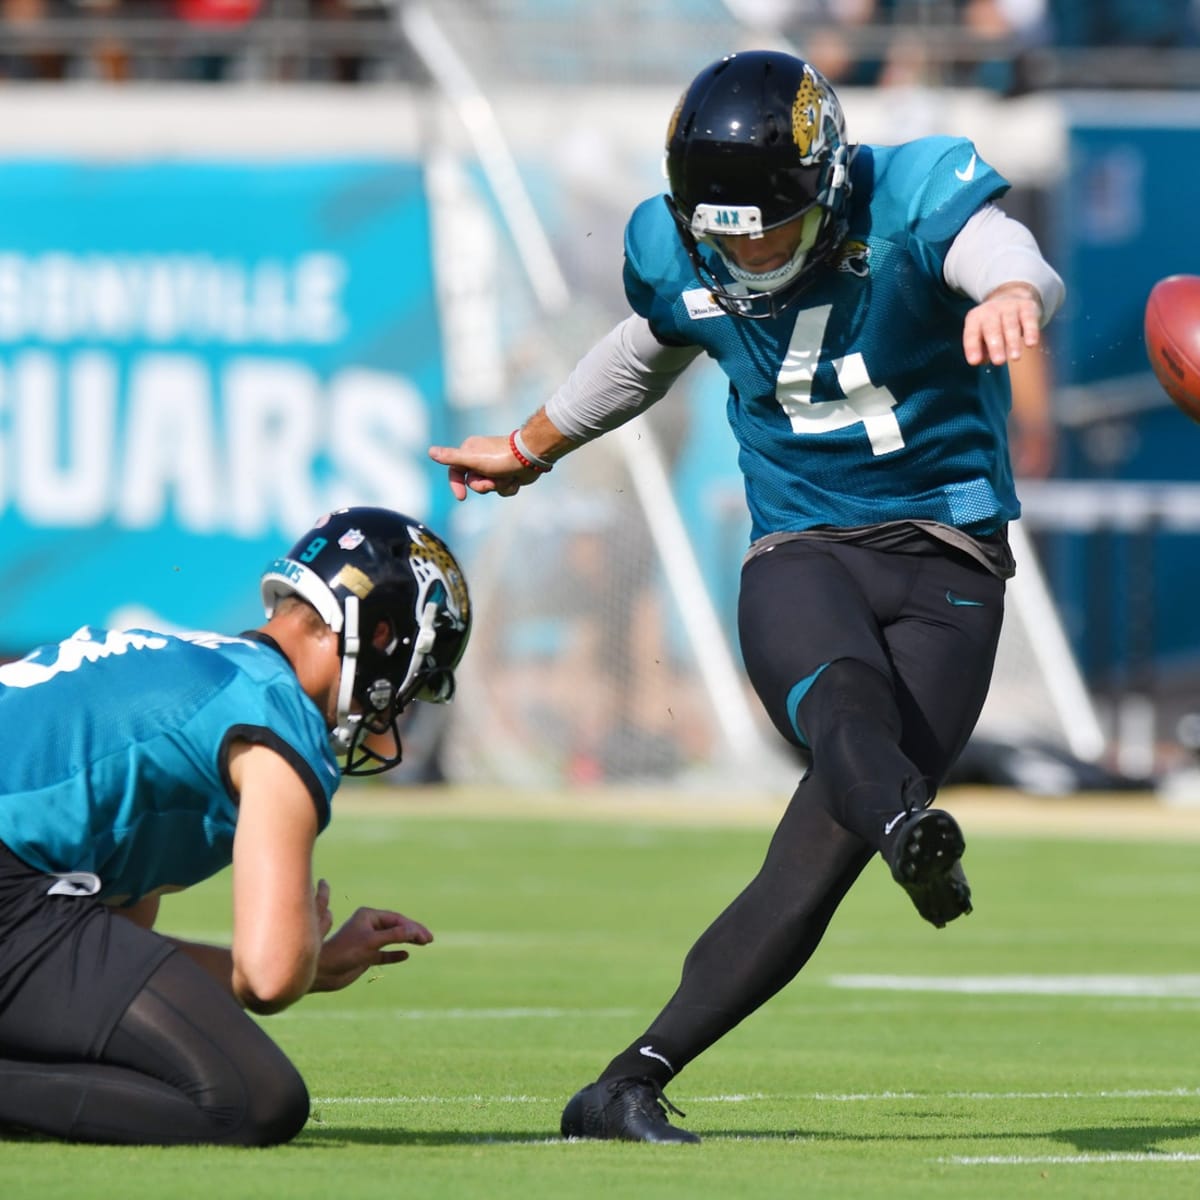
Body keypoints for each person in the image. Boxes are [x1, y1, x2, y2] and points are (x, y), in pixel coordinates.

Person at [430, 49, 1066, 1143]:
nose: (744, 251)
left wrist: (1013, 292)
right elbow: (650, 343)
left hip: (950, 563)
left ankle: (622, 1084)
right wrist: (531, 446)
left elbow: (1008, 251)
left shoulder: (910, 193)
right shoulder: (681, 246)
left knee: (811, 866)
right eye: (721, 230)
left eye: (766, 229)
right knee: (846, 709)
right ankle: (908, 821)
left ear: (824, 186)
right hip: (804, 549)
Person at [0, 505, 471, 1145]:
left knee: (117, 1055)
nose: (397, 708)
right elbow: (270, 979)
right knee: (254, 1098)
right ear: (383, 635)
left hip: (19, 888)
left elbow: (111, 950)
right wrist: (301, 956)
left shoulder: (198, 669)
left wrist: (317, 960)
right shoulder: (274, 717)